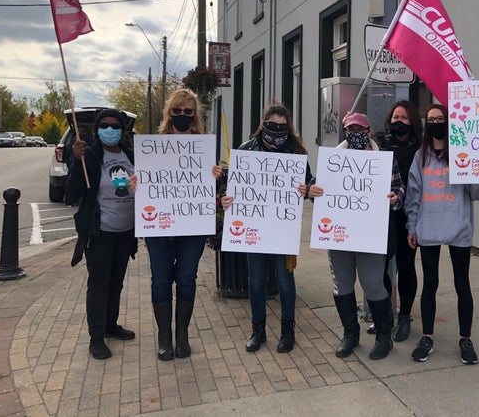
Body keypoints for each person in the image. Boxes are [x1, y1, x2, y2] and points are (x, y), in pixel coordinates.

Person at [129, 88, 223, 361]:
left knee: (185, 279)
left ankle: (182, 335)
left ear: (195, 116)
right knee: (160, 279)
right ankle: (163, 337)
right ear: (169, 113)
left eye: (188, 112)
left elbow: (206, 186)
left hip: (191, 226)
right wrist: (137, 186)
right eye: (177, 111)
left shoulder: (202, 147)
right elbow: (146, 182)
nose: (182, 115)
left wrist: (214, 176)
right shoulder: (154, 146)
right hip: (159, 225)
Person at [227, 103, 319, 354]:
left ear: (288, 127)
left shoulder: (297, 153)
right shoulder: (247, 150)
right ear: (263, 123)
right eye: (271, 125)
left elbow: (308, 185)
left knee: (285, 280)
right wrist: (227, 200)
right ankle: (258, 330)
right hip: (254, 226)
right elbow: (234, 190)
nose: (276, 130)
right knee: (255, 282)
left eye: (282, 126)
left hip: (282, 227)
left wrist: (307, 189)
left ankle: (287, 331)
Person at [317, 112, 405, 360]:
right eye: (351, 130)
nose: (355, 134)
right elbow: (319, 186)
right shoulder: (334, 159)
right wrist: (314, 189)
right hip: (340, 234)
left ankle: (384, 336)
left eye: (360, 130)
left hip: (370, 233)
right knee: (342, 284)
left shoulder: (384, 161)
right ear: (346, 132)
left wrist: (395, 197)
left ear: (369, 132)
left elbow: (399, 188)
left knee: (373, 283)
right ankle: (350, 335)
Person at [405, 104, 479, 365]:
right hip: (429, 228)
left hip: (458, 228)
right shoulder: (421, 156)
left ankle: (465, 338)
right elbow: (414, 194)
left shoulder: (462, 154)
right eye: (432, 119)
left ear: (449, 123)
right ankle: (427, 337)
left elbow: (478, 193)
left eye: (441, 119)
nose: (436, 123)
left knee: (463, 284)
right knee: (430, 283)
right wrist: (412, 226)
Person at [67, 109, 137, 360]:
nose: (110, 130)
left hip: (126, 231)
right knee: (99, 283)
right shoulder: (89, 155)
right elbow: (72, 193)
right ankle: (96, 337)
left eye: (115, 126)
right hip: (100, 232)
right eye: (105, 126)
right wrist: (76, 161)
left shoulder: (131, 155)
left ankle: (110, 325)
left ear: (122, 130)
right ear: (97, 130)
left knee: (116, 281)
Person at [374, 100, 423, 342]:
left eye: (404, 117)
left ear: (412, 120)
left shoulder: (420, 147)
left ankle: (404, 316)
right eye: (395, 117)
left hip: (408, 216)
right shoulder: (378, 143)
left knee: (406, 266)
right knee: (380, 267)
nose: (399, 121)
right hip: (381, 215)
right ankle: (384, 315)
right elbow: (354, 147)